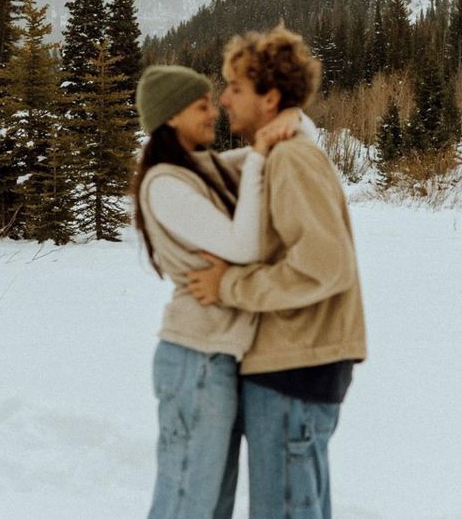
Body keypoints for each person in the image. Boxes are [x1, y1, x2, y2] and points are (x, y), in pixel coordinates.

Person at [187, 25, 367, 519]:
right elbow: (198, 177)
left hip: (295, 368)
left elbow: (324, 266)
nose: (223, 100)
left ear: (269, 98)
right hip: (290, 365)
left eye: (236, 89)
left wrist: (229, 285)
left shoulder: (291, 160)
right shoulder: (277, 154)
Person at [133, 63, 312, 519]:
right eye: (201, 106)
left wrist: (292, 119)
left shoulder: (205, 168)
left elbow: (278, 149)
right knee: (186, 502)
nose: (214, 112)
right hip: (194, 357)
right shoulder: (165, 184)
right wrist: (256, 158)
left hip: (219, 358)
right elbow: (243, 243)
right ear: (171, 115)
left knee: (213, 505)